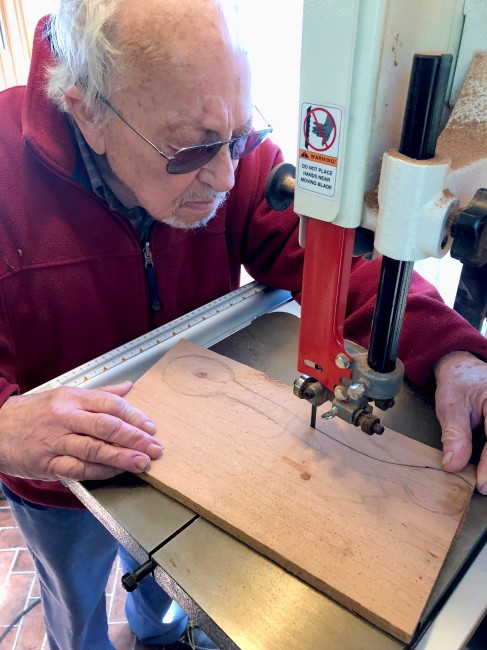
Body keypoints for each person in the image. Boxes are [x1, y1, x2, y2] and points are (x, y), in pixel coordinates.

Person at [0, 0, 485, 648]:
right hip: (56, 483)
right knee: (76, 604)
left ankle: (154, 635)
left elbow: (337, 263)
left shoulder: (224, 147)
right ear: (90, 111)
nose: (228, 176)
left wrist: (455, 355)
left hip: (182, 450)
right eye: (194, 150)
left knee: (157, 591)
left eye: (240, 138)